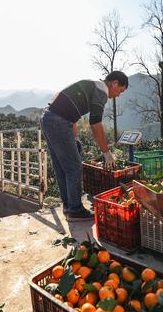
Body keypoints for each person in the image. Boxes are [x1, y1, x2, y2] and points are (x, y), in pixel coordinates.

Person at [41, 71, 128, 221]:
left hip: (49, 119)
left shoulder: (92, 85)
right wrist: (106, 153)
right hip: (58, 121)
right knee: (74, 167)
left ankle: (69, 206)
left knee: (62, 167)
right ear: (114, 83)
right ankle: (75, 210)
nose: (118, 95)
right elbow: (95, 122)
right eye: (120, 90)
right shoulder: (101, 89)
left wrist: (74, 138)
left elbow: (73, 112)